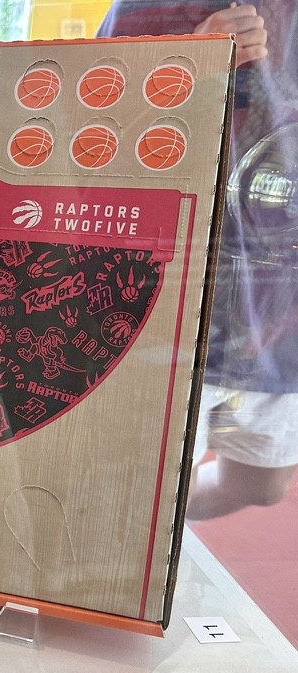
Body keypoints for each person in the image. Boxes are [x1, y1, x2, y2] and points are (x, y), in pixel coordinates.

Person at [98, 1, 298, 519]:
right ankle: (149, 546)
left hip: (282, 304)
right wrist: (192, 61)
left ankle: (156, 531)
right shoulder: (150, 9)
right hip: (179, 293)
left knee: (260, 484)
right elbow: (94, 129)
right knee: (144, 485)